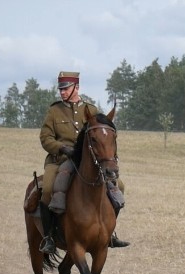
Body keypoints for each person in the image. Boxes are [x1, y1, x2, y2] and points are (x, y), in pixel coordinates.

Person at [38, 71, 129, 253]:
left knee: (119, 185)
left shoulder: (91, 110)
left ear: (76, 88)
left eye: (66, 88)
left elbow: (102, 134)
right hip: (61, 160)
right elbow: (45, 138)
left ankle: (110, 233)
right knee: (47, 189)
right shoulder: (54, 111)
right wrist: (62, 148)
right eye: (61, 89)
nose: (62, 92)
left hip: (88, 161)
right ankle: (49, 237)